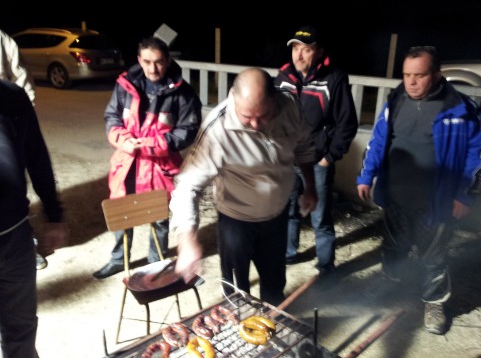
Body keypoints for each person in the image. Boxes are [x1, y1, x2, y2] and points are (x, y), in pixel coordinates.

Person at [356, 46, 481, 335]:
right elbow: (378, 141)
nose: (411, 82)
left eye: (419, 75)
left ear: (437, 75)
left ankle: (434, 302)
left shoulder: (461, 108)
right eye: (406, 75)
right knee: (394, 245)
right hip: (396, 194)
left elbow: (479, 154)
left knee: (433, 256)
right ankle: (390, 280)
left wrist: (464, 194)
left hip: (437, 201)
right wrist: (366, 175)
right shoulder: (395, 101)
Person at [170, 67, 318, 306]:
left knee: (274, 286)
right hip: (236, 221)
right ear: (234, 101)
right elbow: (187, 186)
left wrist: (310, 186)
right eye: (247, 116)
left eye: (264, 115)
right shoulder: (218, 129)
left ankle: (273, 327)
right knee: (236, 292)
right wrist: (187, 241)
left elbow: (303, 147)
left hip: (276, 216)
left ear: (275, 100)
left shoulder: (290, 106)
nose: (256, 124)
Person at [93, 36, 202, 279]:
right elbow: (112, 117)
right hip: (127, 164)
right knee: (122, 213)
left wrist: (152, 144)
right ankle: (118, 260)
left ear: (168, 60)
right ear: (139, 60)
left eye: (160, 62)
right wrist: (123, 140)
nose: (153, 69)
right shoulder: (125, 85)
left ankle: (157, 263)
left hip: (159, 167)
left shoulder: (183, 92)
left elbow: (188, 132)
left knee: (159, 218)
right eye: (148, 62)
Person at [274, 25, 358, 272]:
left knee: (319, 216)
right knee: (287, 210)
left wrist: (329, 158)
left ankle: (325, 264)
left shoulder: (334, 79)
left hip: (317, 161)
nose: (299, 55)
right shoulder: (282, 78)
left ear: (319, 52)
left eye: (306, 49)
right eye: (295, 48)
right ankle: (288, 253)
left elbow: (347, 123)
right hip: (287, 161)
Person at [0, 79, 69, 357]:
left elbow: (36, 156)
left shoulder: (11, 96)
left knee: (22, 330)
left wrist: (54, 214)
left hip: (16, 238)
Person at [0, 28, 48, 270]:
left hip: (7, 121)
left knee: (14, 191)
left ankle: (26, 244)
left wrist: (24, 117)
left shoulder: (2, 39)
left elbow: (20, 74)